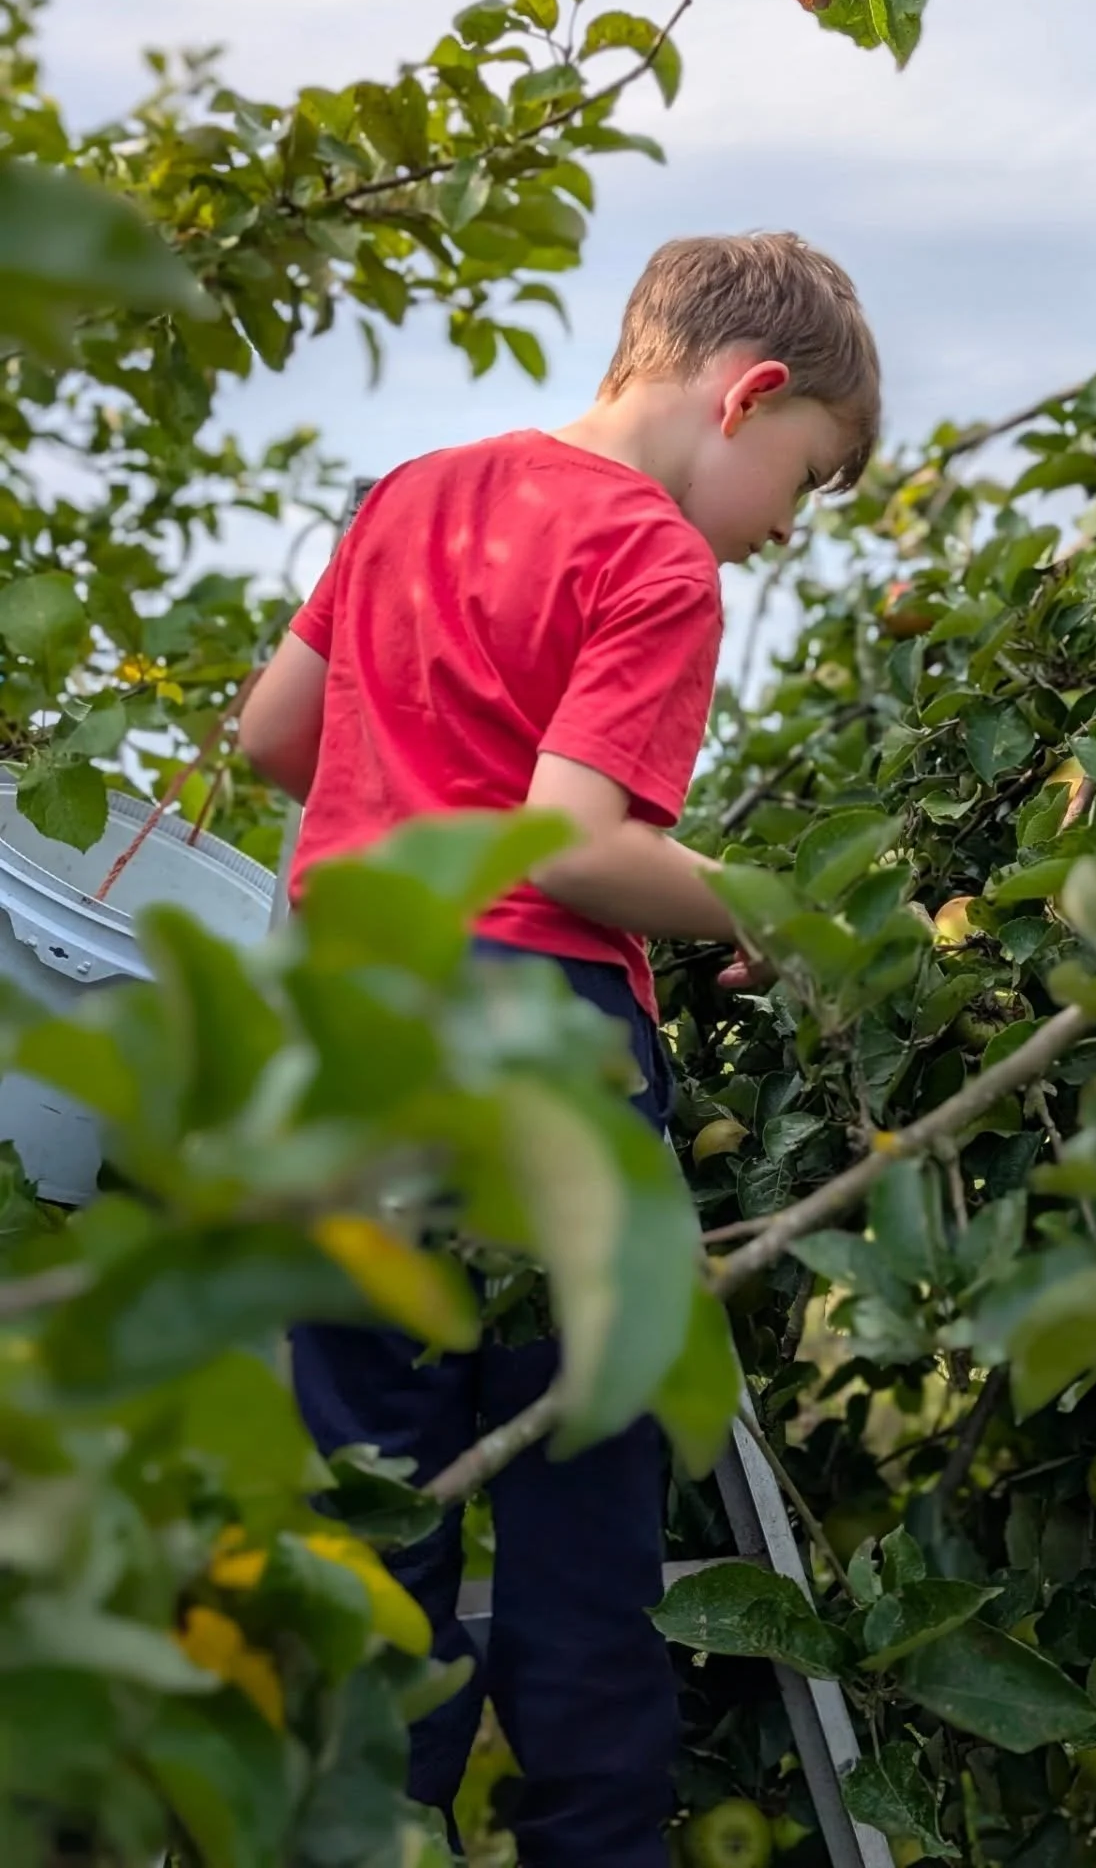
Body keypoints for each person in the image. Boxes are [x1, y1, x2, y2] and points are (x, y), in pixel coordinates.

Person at [238, 230, 881, 1867]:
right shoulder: (658, 557)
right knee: (583, 1513)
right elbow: (564, 846)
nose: (780, 534)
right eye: (798, 484)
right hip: (539, 1049)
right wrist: (753, 901)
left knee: (379, 1499)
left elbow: (272, 738)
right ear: (748, 397)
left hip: (348, 1042)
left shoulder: (406, 495)